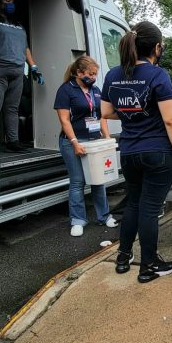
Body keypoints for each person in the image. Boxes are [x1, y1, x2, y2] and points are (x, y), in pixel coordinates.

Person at [101, 21, 172, 283]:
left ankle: (124, 257)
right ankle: (148, 266)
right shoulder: (157, 75)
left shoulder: (113, 75)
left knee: (134, 205)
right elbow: (171, 120)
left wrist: (131, 113)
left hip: (129, 152)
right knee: (150, 209)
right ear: (157, 47)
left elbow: (105, 112)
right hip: (158, 152)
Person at [54, 56, 118, 237]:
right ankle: (78, 220)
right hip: (73, 140)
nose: (93, 77)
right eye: (90, 74)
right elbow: (64, 120)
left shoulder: (95, 90)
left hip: (94, 141)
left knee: (98, 181)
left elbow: (101, 117)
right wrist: (74, 142)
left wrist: (106, 139)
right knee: (77, 182)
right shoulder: (66, 90)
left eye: (95, 74)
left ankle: (104, 216)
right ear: (78, 73)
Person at [0, 0, 43, 153]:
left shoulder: (19, 25)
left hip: (18, 70)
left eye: (11, 1)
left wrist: (33, 66)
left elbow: (25, 47)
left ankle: (13, 141)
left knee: (12, 108)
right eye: (6, 1)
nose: (10, 4)